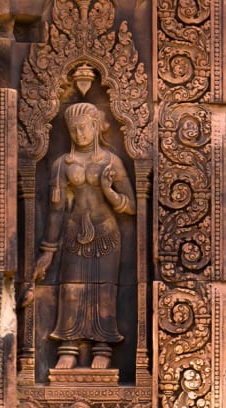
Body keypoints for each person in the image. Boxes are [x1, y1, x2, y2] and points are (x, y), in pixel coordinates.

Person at [32, 102, 135, 370]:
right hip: (74, 232)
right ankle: (68, 347)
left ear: (95, 127)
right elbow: (56, 211)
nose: (79, 134)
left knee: (105, 290)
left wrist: (109, 190)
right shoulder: (61, 164)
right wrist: (47, 251)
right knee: (71, 289)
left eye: (84, 128)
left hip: (107, 232)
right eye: (73, 130)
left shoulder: (113, 162)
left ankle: (103, 347)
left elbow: (132, 205)